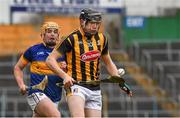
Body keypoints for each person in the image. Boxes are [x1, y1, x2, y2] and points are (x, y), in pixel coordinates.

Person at [46, 8, 132, 117]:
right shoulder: (71, 39)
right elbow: (50, 60)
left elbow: (108, 62)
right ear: (82, 21)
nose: (95, 26)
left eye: (97, 23)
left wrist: (120, 82)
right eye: (92, 23)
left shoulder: (102, 39)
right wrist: (64, 76)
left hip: (95, 89)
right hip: (76, 87)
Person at [14, 21, 66, 117]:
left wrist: (65, 70)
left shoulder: (64, 54)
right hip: (36, 93)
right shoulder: (33, 50)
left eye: (55, 32)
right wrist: (21, 85)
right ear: (42, 34)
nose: (52, 34)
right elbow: (18, 68)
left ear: (58, 35)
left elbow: (69, 76)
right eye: (49, 31)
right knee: (56, 115)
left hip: (55, 98)